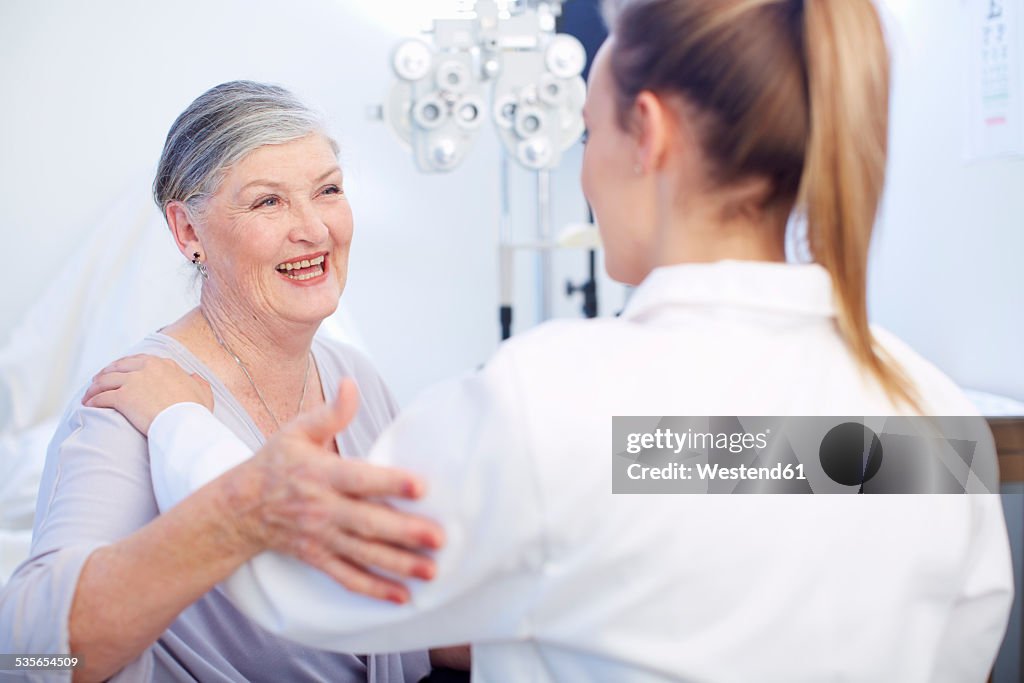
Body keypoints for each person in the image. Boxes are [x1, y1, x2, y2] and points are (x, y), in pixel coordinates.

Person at [80, 0, 1015, 681]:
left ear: (645, 135)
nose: (584, 172)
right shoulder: (931, 417)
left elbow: (297, 581)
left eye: (585, 132)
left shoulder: (557, 407)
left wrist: (177, 423)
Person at [0, 81, 472, 682]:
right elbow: (23, 657)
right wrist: (230, 519)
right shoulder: (125, 408)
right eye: (267, 202)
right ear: (188, 233)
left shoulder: (355, 379)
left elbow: (388, 619)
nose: (314, 229)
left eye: (327, 190)